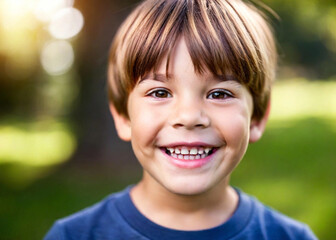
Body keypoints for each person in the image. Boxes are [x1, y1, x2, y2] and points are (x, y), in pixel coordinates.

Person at [44, 0, 318, 239]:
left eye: (220, 94)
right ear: (123, 117)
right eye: (160, 92)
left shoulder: (292, 237)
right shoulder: (73, 236)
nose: (188, 117)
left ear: (256, 118)